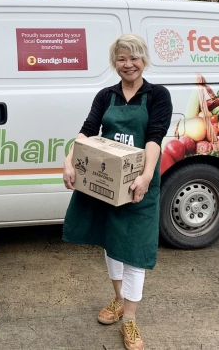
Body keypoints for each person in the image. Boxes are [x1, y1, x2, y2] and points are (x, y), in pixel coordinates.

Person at [62, 33, 172, 350]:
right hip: (108, 185)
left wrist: (146, 176)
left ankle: (130, 320)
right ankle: (118, 298)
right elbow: (87, 130)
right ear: (115, 62)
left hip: (139, 185)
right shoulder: (106, 95)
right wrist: (70, 160)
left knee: (135, 250)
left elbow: (155, 137)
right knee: (111, 244)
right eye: (122, 59)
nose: (128, 64)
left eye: (134, 58)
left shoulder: (157, 96)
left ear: (144, 60)